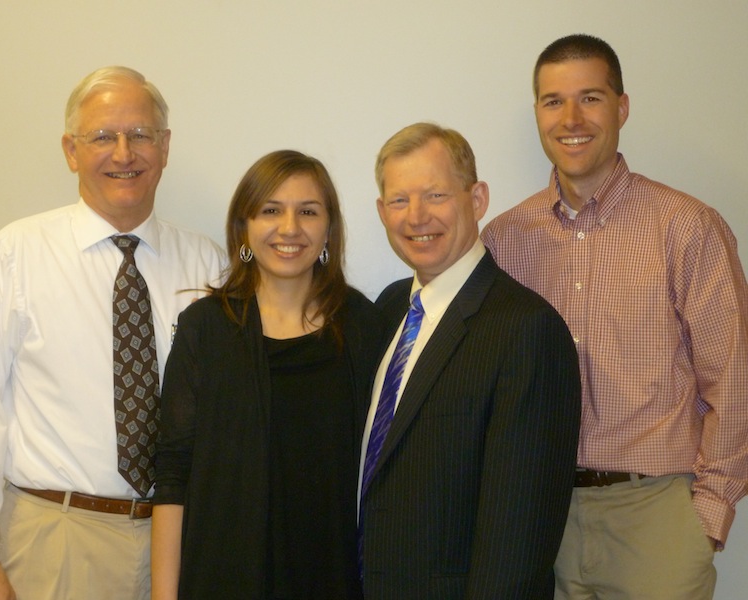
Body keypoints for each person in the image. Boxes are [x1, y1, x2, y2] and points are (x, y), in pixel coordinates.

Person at [481, 33, 748, 599]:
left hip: (653, 515)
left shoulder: (686, 226)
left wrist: (707, 513)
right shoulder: (503, 241)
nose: (571, 117)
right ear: (537, 113)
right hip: (539, 517)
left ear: (622, 107)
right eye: (554, 101)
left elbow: (734, 375)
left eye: (591, 97)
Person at [0, 66, 225, 600]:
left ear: (164, 147)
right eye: (102, 137)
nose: (124, 154)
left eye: (140, 135)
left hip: (181, 546)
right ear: (71, 150)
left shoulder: (208, 264)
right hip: (56, 539)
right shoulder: (17, 253)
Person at [359, 122, 581, 599]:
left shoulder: (526, 329)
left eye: (436, 195)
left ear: (477, 199)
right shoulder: (387, 310)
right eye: (399, 200)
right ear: (382, 212)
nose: (416, 216)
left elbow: (520, 534)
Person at [151, 149, 383, 599]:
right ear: (245, 227)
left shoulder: (364, 325)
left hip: (331, 576)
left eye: (308, 212)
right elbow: (174, 471)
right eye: (271, 210)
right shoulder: (205, 328)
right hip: (223, 575)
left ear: (329, 230)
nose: (290, 228)